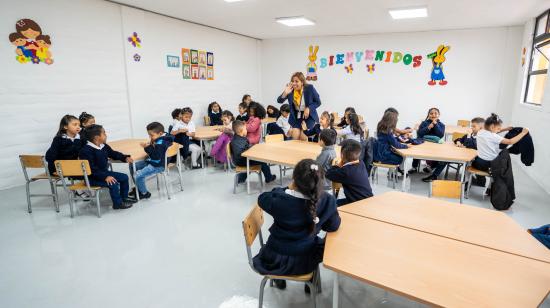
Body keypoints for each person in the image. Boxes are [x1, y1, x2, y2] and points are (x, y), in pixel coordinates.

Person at [252, 159, 341, 291]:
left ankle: (279, 279)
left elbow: (262, 198)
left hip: (276, 258)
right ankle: (310, 282)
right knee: (320, 246)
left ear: (294, 178)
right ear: (319, 182)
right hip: (308, 258)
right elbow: (333, 226)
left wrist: (286, 189)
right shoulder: (327, 201)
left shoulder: (278, 199)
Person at [78, 125, 135, 209]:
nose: (106, 135)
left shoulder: (103, 146)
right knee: (113, 182)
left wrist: (124, 157)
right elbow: (91, 169)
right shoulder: (86, 151)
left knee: (124, 177)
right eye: (104, 133)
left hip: (104, 173)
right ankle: (117, 204)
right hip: (92, 178)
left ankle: (124, 198)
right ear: (97, 137)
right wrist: (105, 176)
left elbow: (113, 153)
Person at [129, 122, 173, 199]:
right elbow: (156, 153)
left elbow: (156, 157)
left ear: (160, 133)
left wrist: (147, 147)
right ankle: (139, 188)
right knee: (133, 166)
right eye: (149, 135)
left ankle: (144, 193)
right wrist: (152, 144)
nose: (150, 137)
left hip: (158, 165)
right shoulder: (163, 138)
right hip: (154, 161)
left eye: (151, 135)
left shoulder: (160, 143)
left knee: (138, 175)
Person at [326, 139, 373, 206]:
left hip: (357, 204)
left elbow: (328, 174)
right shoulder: (361, 163)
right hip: (367, 200)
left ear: (342, 155)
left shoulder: (346, 172)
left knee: (328, 205)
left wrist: (338, 164)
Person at [276, 72, 321, 140]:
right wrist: (285, 93)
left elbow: (318, 102)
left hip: (308, 116)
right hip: (296, 116)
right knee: (295, 137)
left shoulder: (309, 88)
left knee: (303, 137)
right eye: (292, 81)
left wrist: (309, 108)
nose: (294, 83)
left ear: (302, 82)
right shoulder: (290, 89)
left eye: (296, 81)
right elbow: (279, 101)